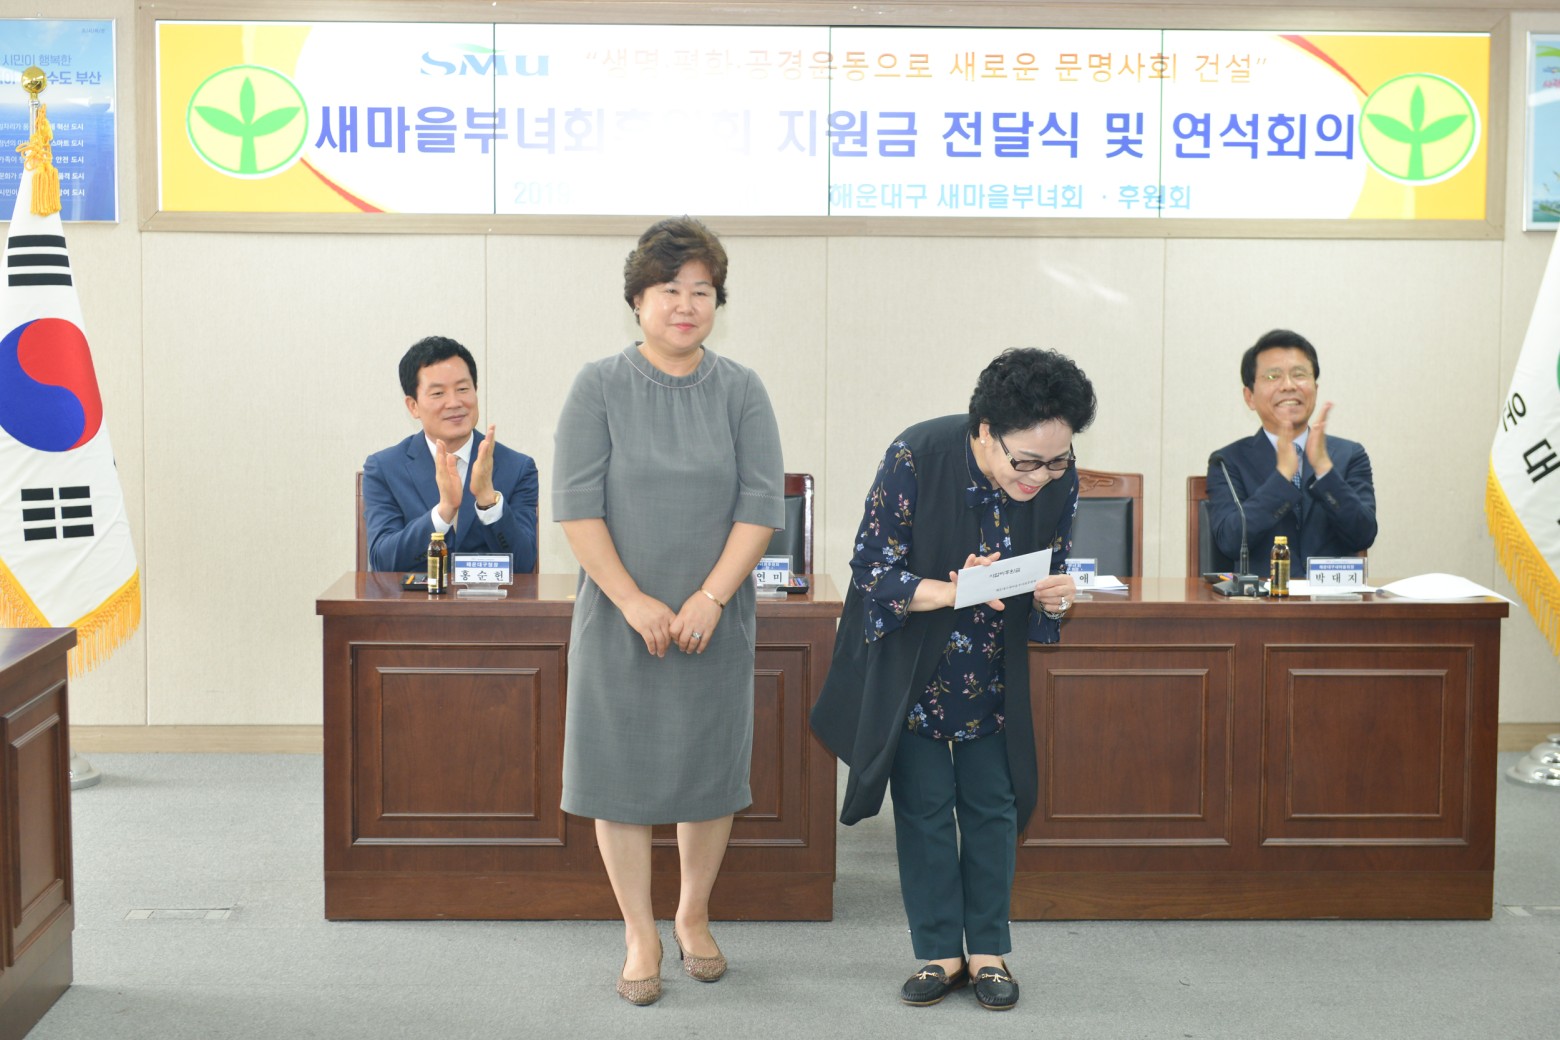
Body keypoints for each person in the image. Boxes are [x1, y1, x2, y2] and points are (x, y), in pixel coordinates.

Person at [810, 348, 1097, 1012]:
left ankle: (989, 950)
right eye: (1026, 462)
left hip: (993, 664)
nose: (1042, 476)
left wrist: (1057, 600)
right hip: (914, 663)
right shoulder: (917, 456)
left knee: (994, 803)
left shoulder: (1058, 475)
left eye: (1057, 461)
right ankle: (940, 951)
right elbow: (872, 570)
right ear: (986, 432)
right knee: (925, 806)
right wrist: (951, 590)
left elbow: (1053, 565)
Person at [552, 217, 784, 1006]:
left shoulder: (742, 390)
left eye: (702, 292)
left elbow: (759, 506)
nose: (686, 306)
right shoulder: (598, 385)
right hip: (619, 616)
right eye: (669, 290)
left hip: (713, 618)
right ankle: (638, 931)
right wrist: (633, 600)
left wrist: (711, 596)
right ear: (637, 300)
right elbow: (577, 506)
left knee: (706, 771)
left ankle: (691, 914)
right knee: (617, 772)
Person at [362, 336, 538, 574]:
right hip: (416, 600)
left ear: (475, 391)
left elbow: (524, 564)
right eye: (438, 393)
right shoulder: (384, 468)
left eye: (463, 389)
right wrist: (443, 512)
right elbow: (383, 561)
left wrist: (488, 500)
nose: (454, 403)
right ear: (413, 406)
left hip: (490, 599)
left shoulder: (517, 467)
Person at [1205, 329, 1377, 571]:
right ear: (1250, 397)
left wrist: (1324, 470)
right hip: (1263, 594)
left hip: (1330, 594)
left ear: (1315, 388)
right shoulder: (1227, 462)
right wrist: (1283, 476)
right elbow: (1231, 541)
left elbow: (1363, 535)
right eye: (1273, 376)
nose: (1288, 385)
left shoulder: (1349, 455)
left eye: (1299, 374)